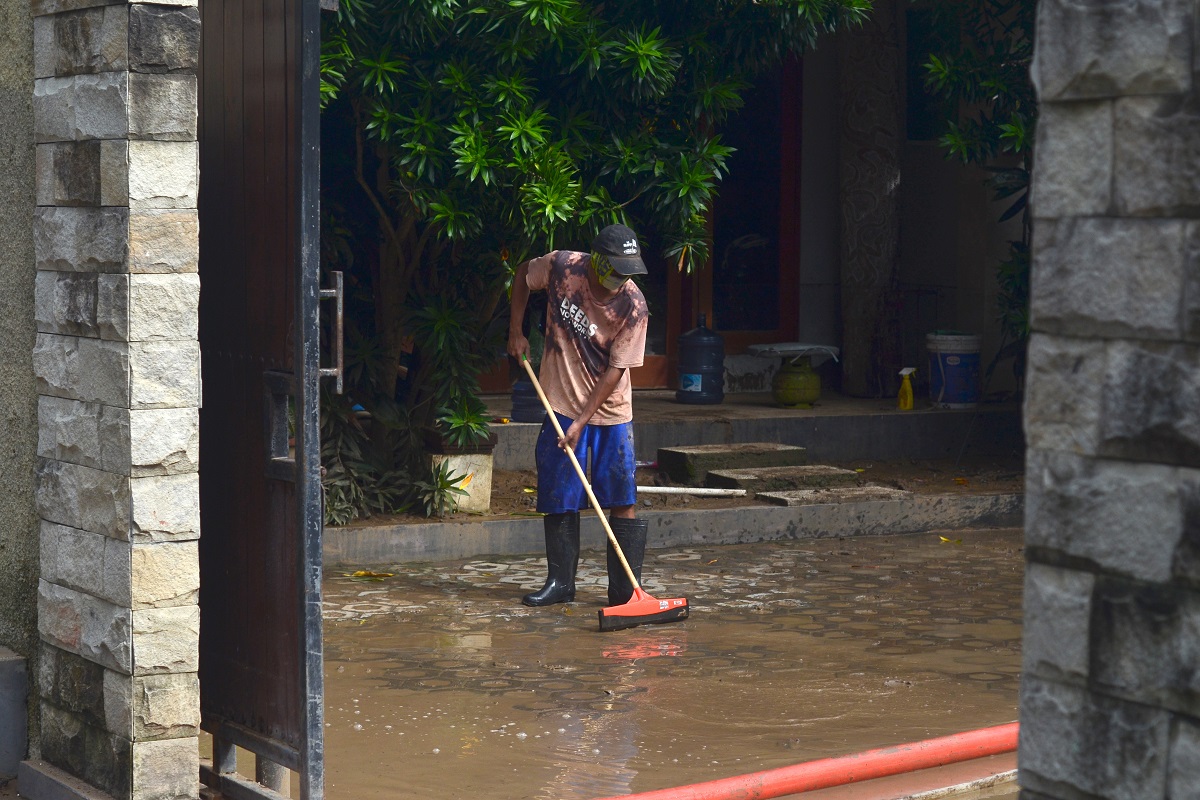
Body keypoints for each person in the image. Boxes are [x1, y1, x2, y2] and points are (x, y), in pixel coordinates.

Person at [507, 223, 650, 608]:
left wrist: (582, 422)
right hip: (559, 400)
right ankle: (561, 583)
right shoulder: (562, 267)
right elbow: (522, 274)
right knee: (559, 491)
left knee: (621, 495)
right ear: (598, 262)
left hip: (609, 410)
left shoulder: (634, 307)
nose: (621, 280)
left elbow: (616, 370)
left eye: (628, 272)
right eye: (616, 270)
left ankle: (624, 592)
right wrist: (515, 329)